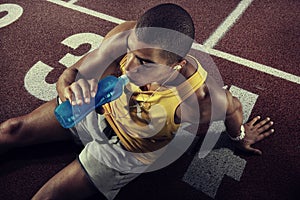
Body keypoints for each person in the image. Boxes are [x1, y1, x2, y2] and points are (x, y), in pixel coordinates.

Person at [0, 3, 274, 200]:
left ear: (176, 66)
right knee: (10, 130)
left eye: (144, 62)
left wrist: (240, 136)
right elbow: (72, 75)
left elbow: (233, 108)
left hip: (125, 149)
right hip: (99, 109)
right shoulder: (128, 37)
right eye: (130, 52)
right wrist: (69, 85)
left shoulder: (199, 98)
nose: (128, 65)